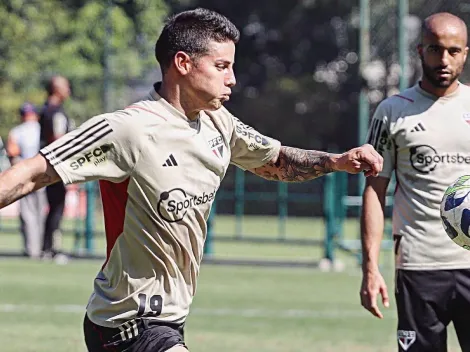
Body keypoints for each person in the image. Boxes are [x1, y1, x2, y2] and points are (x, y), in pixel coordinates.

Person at [0, 9, 382, 352]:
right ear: (182, 63)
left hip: (170, 319)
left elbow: (275, 161)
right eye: (222, 66)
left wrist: (336, 161)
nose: (232, 78)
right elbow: (34, 172)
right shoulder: (129, 129)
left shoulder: (220, 122)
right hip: (124, 323)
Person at [360, 12, 470, 352]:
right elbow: (375, 191)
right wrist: (370, 268)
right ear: (420, 50)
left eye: (454, 51)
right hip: (419, 266)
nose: (444, 59)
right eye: (435, 49)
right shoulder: (392, 111)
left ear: (465, 54)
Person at [6, 102, 46, 258]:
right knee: (42, 214)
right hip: (45, 176)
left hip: (25, 176)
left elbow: (13, 156)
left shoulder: (17, 132)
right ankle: (44, 248)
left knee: (28, 215)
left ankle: (32, 250)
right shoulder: (42, 129)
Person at [39, 75, 72, 258]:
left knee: (53, 207)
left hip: (47, 164)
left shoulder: (45, 109)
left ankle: (46, 247)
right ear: (57, 89)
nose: (68, 90)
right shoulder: (56, 111)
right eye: (66, 86)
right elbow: (57, 139)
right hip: (56, 166)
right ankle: (51, 249)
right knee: (57, 207)